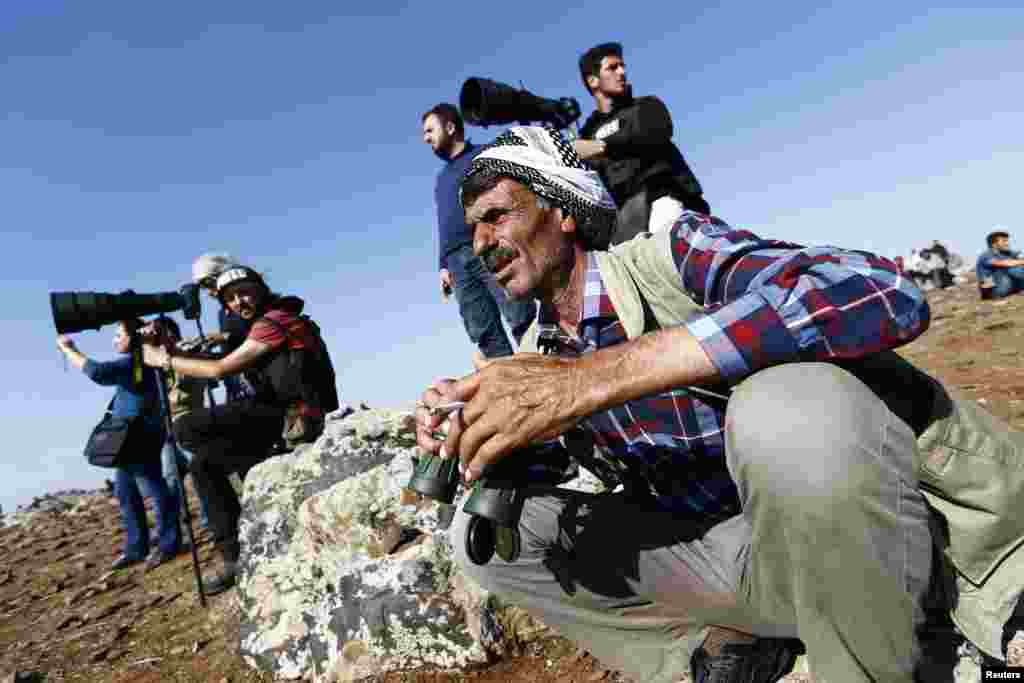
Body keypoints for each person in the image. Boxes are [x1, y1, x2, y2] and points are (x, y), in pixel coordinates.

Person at [416, 126, 1024, 681]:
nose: (482, 243)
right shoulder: (535, 353)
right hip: (746, 563)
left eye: (496, 216)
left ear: (562, 211)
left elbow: (879, 292)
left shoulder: (673, 256)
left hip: (880, 534)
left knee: (782, 406)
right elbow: (551, 467)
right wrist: (481, 440)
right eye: (471, 230)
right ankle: (726, 646)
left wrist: (596, 377)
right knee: (496, 532)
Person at [141, 266, 330, 595]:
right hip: (279, 415)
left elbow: (218, 369)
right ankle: (233, 557)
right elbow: (225, 356)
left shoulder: (275, 322)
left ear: (260, 289)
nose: (239, 301)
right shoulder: (265, 322)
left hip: (291, 417)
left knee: (188, 426)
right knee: (203, 465)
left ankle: (253, 476)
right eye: (230, 297)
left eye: (245, 291)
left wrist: (164, 361)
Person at [57, 318, 181, 571]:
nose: (114, 340)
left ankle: (169, 543)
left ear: (133, 338)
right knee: (125, 492)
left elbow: (97, 373)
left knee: (153, 489)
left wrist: (69, 349)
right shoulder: (140, 361)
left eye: (118, 335)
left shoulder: (136, 361)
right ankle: (137, 547)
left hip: (138, 434)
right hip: (131, 435)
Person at [422, 102, 536, 359]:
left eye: (430, 130)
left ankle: (548, 372)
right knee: (482, 330)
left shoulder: (485, 155)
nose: (425, 138)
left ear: (450, 127)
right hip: (456, 265)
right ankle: (510, 391)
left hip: (489, 247)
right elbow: (444, 225)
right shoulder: (440, 180)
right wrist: (443, 265)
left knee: (519, 316)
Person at [575, 42, 710, 246]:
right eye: (612, 67)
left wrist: (601, 147)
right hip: (624, 220)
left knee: (668, 256)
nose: (622, 72)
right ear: (593, 80)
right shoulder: (587, 132)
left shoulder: (645, 106)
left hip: (664, 199)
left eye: (622, 66)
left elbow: (654, 132)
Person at [146, 317, 211, 532]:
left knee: (201, 472)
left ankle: (209, 518)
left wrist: (169, 354)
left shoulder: (186, 350)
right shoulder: (152, 357)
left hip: (189, 417)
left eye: (157, 331)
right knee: (171, 477)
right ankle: (181, 522)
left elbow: (193, 374)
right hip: (167, 425)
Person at [189, 253, 251, 401]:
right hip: (236, 389)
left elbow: (259, 339)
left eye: (208, 284)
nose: (208, 292)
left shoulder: (246, 304)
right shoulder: (222, 313)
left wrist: (222, 337)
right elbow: (232, 353)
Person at [976, 230, 1024, 299]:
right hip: (993, 290)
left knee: (1018, 267)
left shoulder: (1008, 253)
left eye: (1007, 241)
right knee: (1012, 269)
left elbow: (1019, 257)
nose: (1007, 243)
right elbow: (1006, 264)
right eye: (1004, 241)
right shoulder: (986, 255)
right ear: (994, 244)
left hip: (1008, 285)